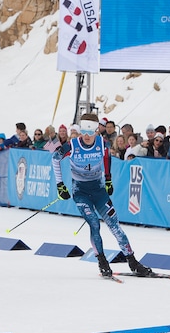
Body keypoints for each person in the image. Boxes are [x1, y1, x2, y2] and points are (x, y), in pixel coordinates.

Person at [51, 113, 153, 278]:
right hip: (81, 192)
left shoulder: (102, 143)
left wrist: (108, 179)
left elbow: (106, 157)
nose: (87, 136)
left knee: (115, 227)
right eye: (84, 131)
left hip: (99, 191)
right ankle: (102, 261)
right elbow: (55, 159)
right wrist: (60, 185)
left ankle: (133, 261)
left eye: (91, 131)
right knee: (94, 224)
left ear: (97, 130)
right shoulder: (73, 145)